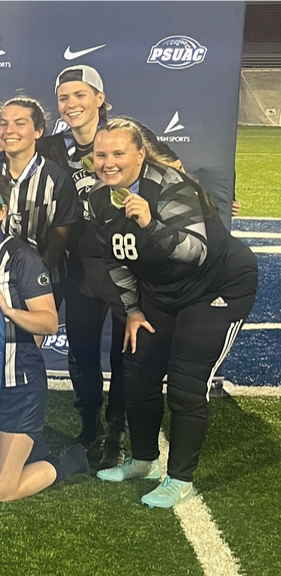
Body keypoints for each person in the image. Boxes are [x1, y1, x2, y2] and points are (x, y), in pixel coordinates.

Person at [89, 118, 258, 508]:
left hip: (216, 288)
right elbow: (115, 261)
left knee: (186, 382)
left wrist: (150, 223)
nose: (108, 162)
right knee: (139, 370)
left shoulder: (171, 187)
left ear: (140, 154)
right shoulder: (100, 199)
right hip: (163, 291)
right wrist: (131, 310)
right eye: (101, 154)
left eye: (118, 153)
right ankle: (145, 460)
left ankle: (180, 478)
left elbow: (194, 252)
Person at [0, 175, 88, 502]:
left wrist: (9, 311)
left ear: (2, 212)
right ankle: (30, 445)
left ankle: (70, 461)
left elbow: (49, 323)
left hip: (17, 387)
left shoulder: (22, 257)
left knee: (2, 490)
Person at [36, 65, 126, 468]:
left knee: (127, 356)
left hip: (128, 264)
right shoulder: (51, 148)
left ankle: (117, 432)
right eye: (64, 97)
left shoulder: (126, 138)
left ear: (100, 99)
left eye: (80, 95)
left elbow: (168, 172)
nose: (71, 104)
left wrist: (206, 197)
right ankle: (89, 426)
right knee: (83, 352)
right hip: (80, 269)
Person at [0, 96, 80, 285]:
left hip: (40, 279)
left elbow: (58, 241)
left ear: (38, 131)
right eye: (3, 124)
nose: (9, 131)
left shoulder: (57, 178)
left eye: (19, 124)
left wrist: (33, 277)